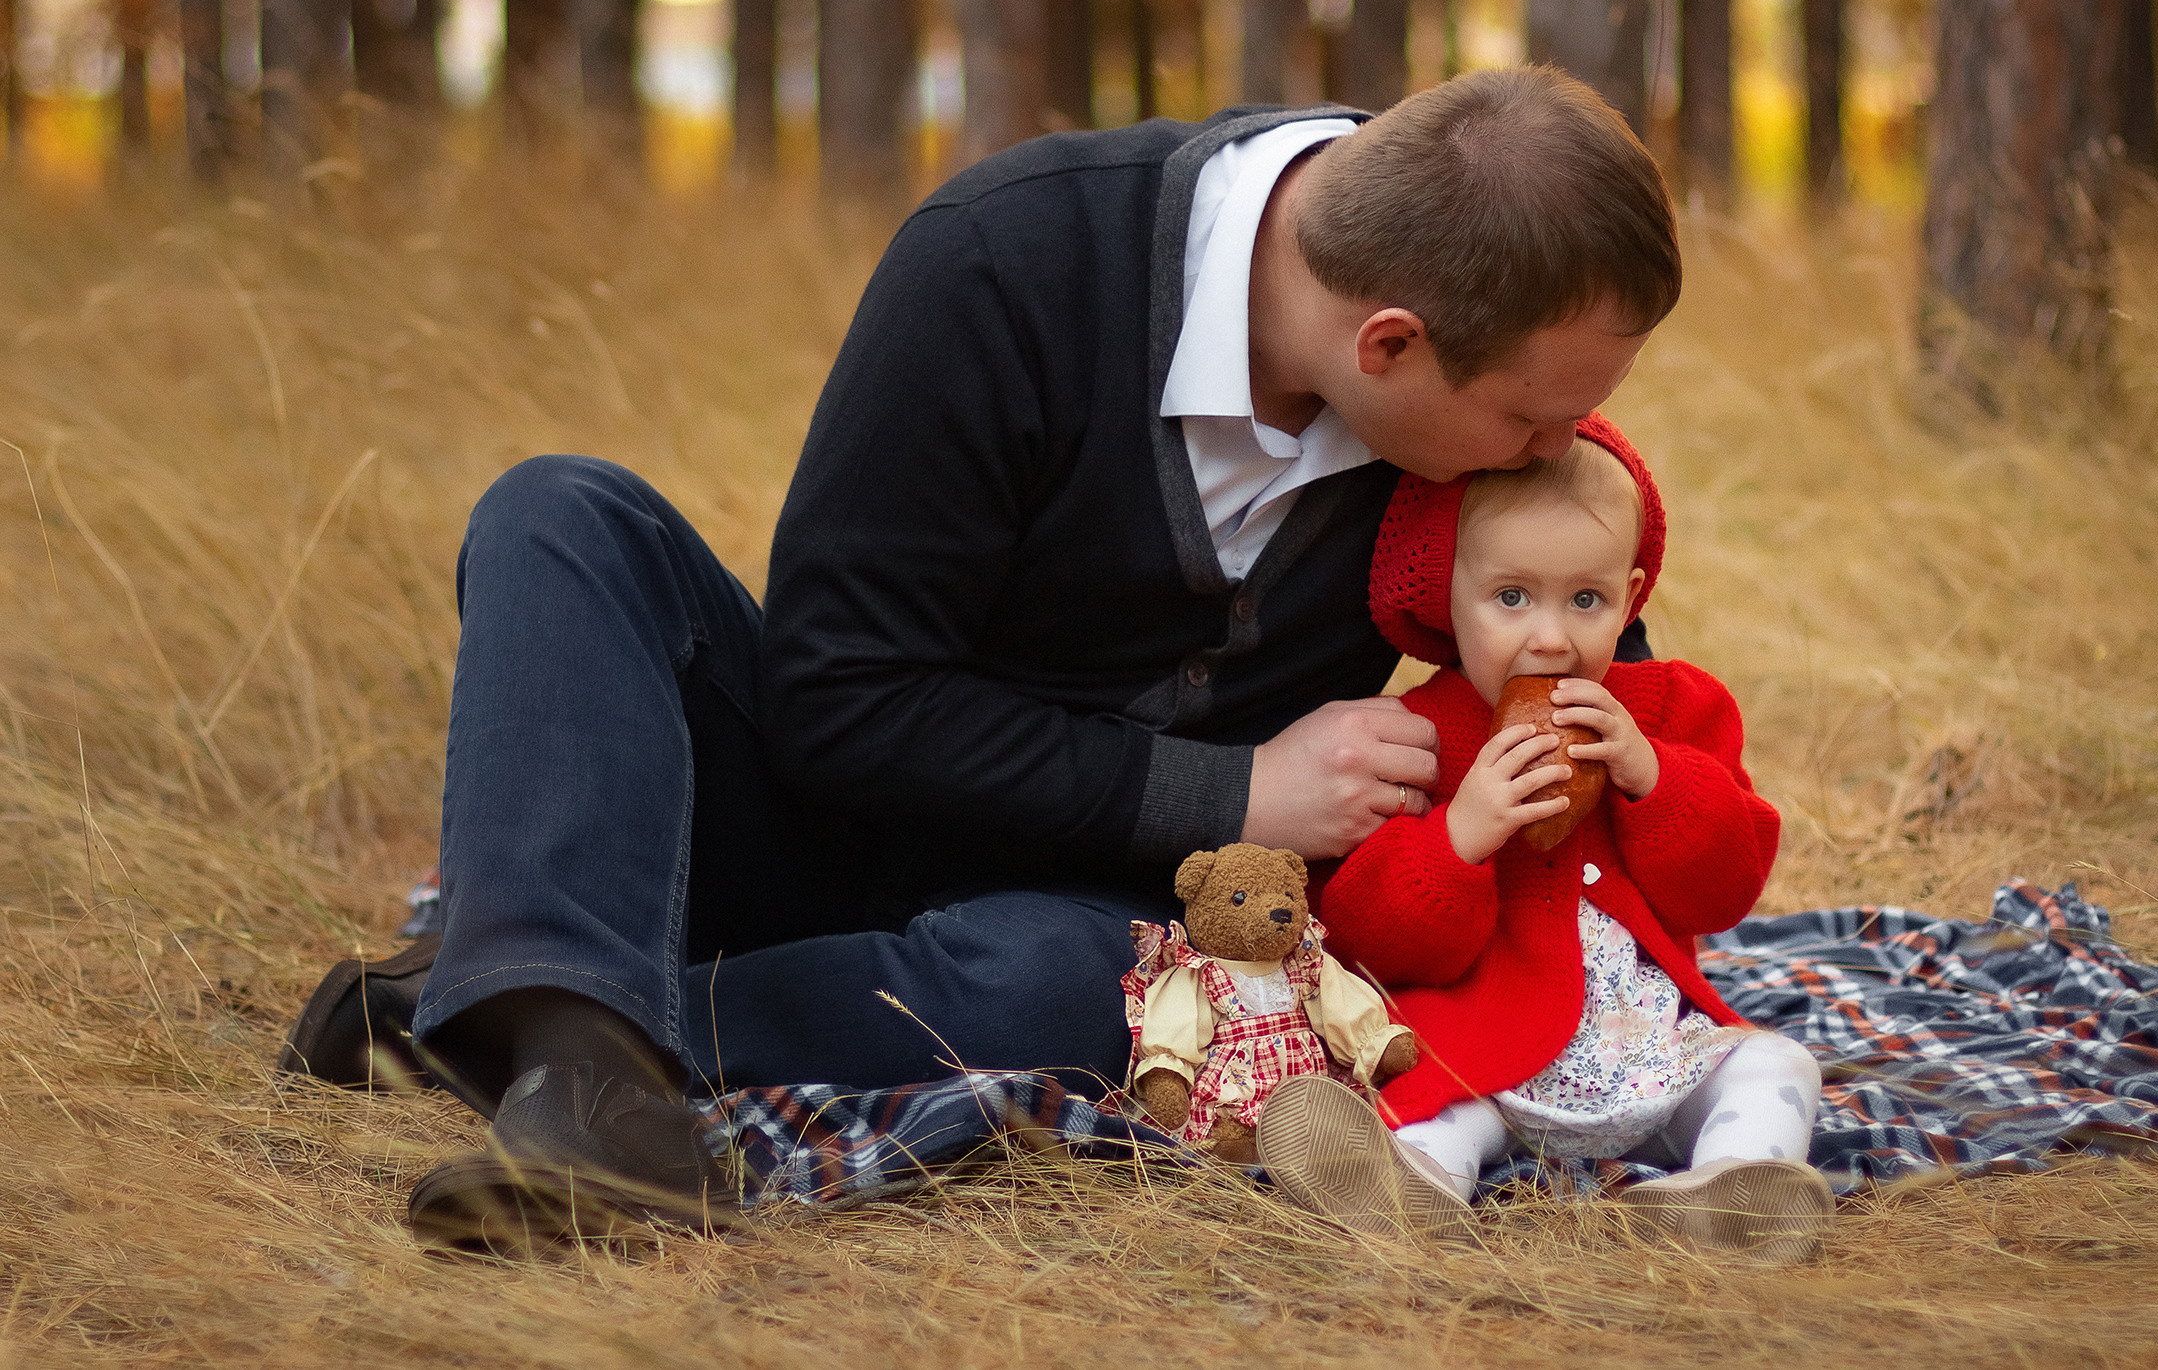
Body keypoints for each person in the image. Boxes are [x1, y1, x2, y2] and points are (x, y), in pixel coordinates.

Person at [275, 66, 1686, 1253]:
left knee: (1090, 995)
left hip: (1074, 928)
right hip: (806, 825)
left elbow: (1590, 672)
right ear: (1390, 344)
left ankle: (536, 1013)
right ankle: (582, 1078)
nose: (1557, 450)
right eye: (1532, 423)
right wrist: (1233, 790)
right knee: (563, 515)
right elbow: (835, 700)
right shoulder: (1003, 263)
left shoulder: (1474, 346)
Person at [1262, 419, 1835, 1262]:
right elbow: (1370, 941)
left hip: (1649, 1050)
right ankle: (1409, 1187)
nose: (1552, 637)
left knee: (1778, 1066)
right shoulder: (1417, 738)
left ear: (1630, 597)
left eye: (1586, 600)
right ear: (1450, 598)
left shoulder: (1675, 712)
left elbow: (1726, 891)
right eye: (1511, 598)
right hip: (1485, 1052)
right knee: (1440, 1104)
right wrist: (1459, 837)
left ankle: (1729, 1193)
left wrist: (1654, 778)